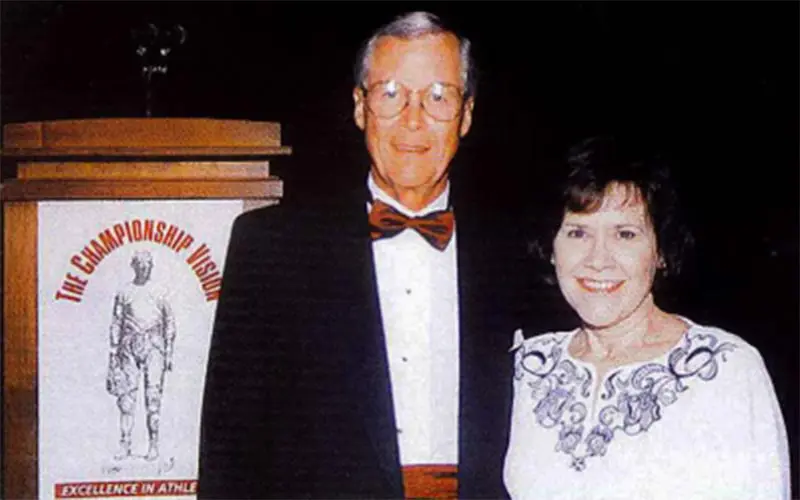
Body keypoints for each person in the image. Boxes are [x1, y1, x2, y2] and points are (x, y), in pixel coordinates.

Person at [198, 11, 525, 499]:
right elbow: (231, 449)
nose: (414, 120)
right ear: (359, 107)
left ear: (467, 114)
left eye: (439, 97)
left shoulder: (522, 252)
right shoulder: (270, 247)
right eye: (391, 94)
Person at [503, 135, 791, 499]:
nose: (598, 259)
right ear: (551, 248)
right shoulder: (527, 367)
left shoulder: (722, 369)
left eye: (625, 234)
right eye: (578, 232)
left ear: (661, 252)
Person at [107, 250, 176, 461]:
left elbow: (170, 322)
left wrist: (169, 352)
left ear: (151, 267)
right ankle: (125, 443)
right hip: (128, 345)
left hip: (154, 346)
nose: (144, 268)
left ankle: (153, 444)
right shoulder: (124, 291)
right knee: (126, 399)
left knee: (152, 397)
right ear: (134, 265)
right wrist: (113, 352)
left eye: (147, 265)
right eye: (140, 264)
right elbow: (116, 322)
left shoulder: (161, 291)